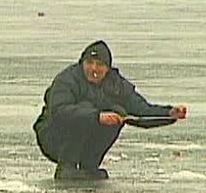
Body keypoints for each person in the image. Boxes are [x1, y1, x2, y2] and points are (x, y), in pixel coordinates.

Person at [33, 40, 188, 180]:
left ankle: (89, 166)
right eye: (89, 63)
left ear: (107, 68)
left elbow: (140, 109)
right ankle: (67, 166)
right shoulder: (67, 79)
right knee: (85, 111)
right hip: (53, 138)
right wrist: (97, 117)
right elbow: (59, 112)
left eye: (99, 64)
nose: (93, 68)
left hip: (85, 137)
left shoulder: (116, 85)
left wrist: (169, 113)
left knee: (118, 112)